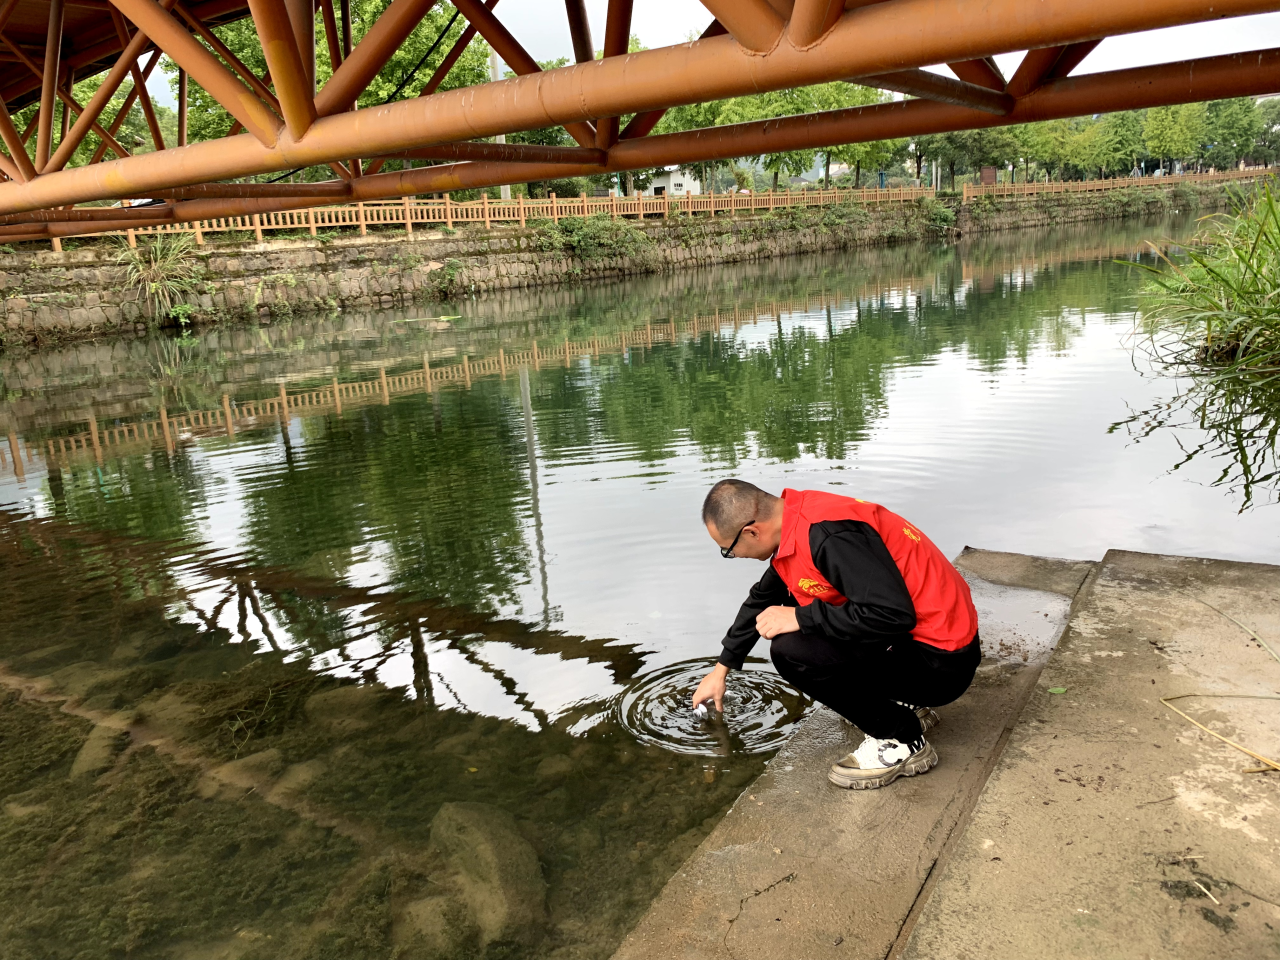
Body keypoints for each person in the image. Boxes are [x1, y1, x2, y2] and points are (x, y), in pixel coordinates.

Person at [691, 480, 980, 790]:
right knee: (795, 609)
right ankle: (902, 705)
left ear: (751, 531)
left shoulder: (829, 537)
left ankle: (901, 738)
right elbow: (761, 600)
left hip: (942, 664)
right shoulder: (799, 521)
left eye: (728, 549)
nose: (732, 555)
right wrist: (721, 669)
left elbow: (893, 614)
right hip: (922, 644)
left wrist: (801, 617)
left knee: (791, 651)